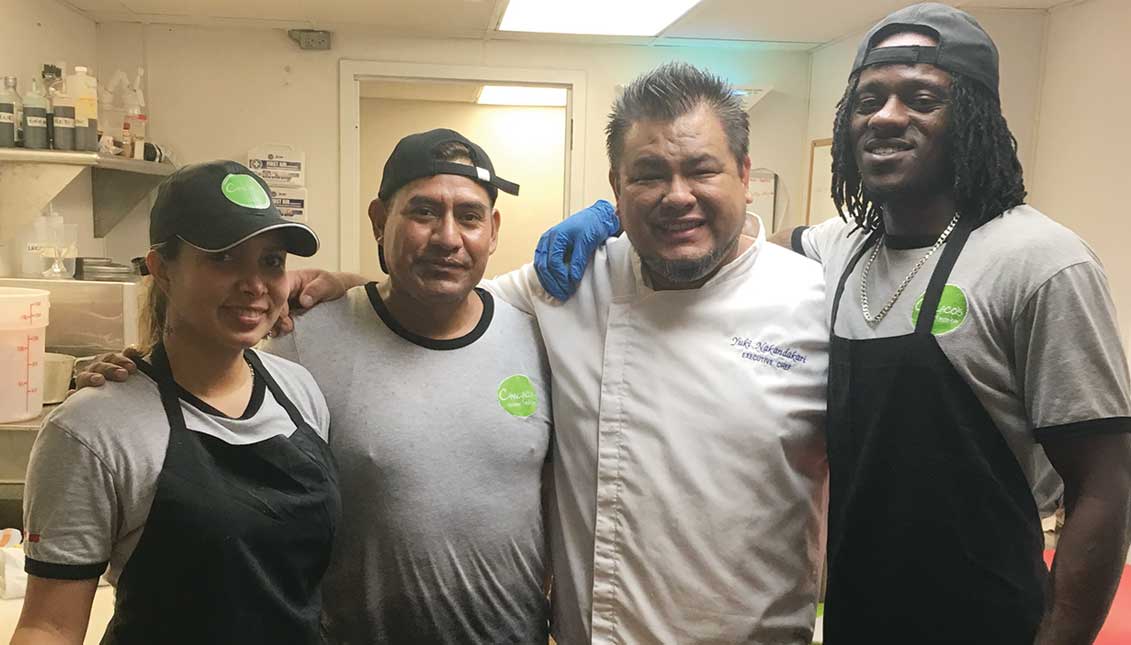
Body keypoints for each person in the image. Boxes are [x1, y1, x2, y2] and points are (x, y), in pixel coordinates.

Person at [542, 5, 1131, 644]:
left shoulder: (1041, 262)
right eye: (868, 99)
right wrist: (615, 212)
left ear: (974, 116)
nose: (886, 116)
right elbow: (739, 236)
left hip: (991, 623)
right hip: (855, 622)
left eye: (922, 97)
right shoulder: (844, 248)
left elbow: (1105, 483)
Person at [285, 63, 830, 644]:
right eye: (648, 174)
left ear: (745, 175)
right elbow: (443, 296)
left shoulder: (816, 306)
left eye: (701, 170)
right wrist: (343, 287)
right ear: (616, 189)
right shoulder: (569, 284)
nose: (677, 196)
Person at [77, 130, 555, 644]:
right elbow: (206, 373)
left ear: (494, 229)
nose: (446, 237)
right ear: (378, 220)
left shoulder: (541, 338)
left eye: (469, 216)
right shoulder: (303, 338)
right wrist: (134, 377)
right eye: (422, 212)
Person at [13, 161, 339, 645]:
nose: (254, 284)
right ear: (161, 269)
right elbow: (50, 626)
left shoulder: (299, 391)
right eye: (224, 258)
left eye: (271, 261)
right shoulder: (92, 428)